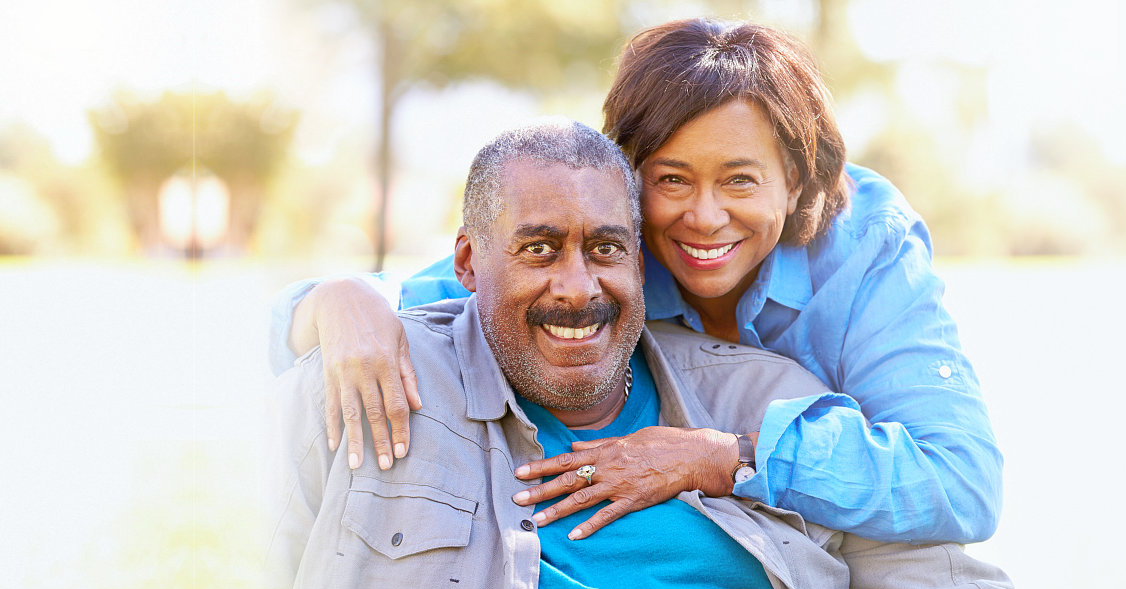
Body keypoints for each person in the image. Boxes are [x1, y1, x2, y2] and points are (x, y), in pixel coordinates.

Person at [271, 18, 1000, 544]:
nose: (704, 217)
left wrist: (721, 456)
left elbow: (962, 483)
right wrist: (337, 300)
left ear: (795, 179)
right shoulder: (607, 255)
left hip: (830, 534)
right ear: (625, 179)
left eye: (740, 181)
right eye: (671, 179)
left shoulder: (866, 246)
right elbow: (440, 289)